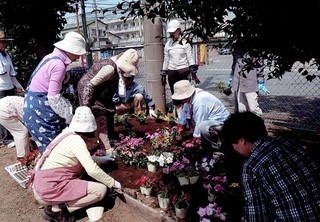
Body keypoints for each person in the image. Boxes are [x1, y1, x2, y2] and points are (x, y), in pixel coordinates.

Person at [220, 112, 320, 221]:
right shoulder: (289, 144)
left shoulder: (251, 167)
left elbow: (257, 217)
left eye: (233, 144)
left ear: (242, 140)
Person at [27, 106, 122, 222]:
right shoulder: (77, 141)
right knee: (100, 190)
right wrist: (113, 183)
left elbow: (75, 158)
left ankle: (57, 204)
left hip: (42, 184)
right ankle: (57, 210)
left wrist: (100, 159)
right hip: (49, 188)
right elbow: (92, 170)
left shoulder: (67, 134)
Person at [23, 32, 87, 154]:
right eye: (77, 54)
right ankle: (51, 172)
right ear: (70, 50)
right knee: (53, 151)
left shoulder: (49, 58)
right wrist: (69, 117)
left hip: (32, 106)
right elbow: (53, 98)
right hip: (41, 111)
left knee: (53, 146)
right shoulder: (59, 65)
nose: (78, 58)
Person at [77, 48, 139, 149]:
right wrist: (85, 105)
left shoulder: (117, 67)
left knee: (109, 112)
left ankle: (109, 138)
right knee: (99, 116)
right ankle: (105, 148)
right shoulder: (109, 69)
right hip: (88, 90)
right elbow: (90, 85)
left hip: (101, 91)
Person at [172, 80, 230, 149]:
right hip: (211, 119)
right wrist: (181, 125)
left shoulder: (200, 101)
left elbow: (199, 122)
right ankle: (204, 139)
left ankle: (217, 145)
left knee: (203, 126)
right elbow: (184, 111)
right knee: (190, 117)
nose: (180, 100)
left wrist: (195, 141)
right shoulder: (191, 96)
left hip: (222, 122)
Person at [160, 19, 200, 118]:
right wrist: (163, 73)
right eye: (170, 32)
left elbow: (190, 58)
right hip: (172, 73)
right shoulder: (168, 44)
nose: (172, 34)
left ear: (179, 30)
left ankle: (188, 118)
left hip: (184, 72)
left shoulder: (185, 43)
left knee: (186, 95)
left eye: (174, 31)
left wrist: (193, 73)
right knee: (176, 97)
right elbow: (166, 59)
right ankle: (180, 119)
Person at [226, 40, 269, 116]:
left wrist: (260, 81)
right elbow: (234, 65)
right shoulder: (237, 50)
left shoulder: (254, 51)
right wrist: (231, 77)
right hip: (238, 83)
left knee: (253, 109)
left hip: (250, 84)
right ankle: (246, 127)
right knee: (242, 109)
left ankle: (260, 126)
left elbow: (259, 67)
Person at [0, 31, 25, 144]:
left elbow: (12, 75)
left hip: (9, 88)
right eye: (3, 41)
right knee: (3, 113)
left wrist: (20, 88)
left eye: (5, 41)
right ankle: (6, 139)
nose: (5, 44)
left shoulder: (5, 55)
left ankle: (13, 136)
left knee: (12, 112)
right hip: (0, 90)